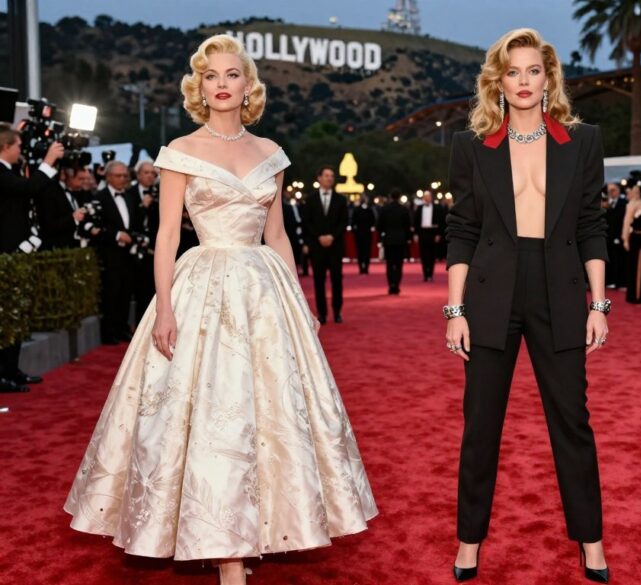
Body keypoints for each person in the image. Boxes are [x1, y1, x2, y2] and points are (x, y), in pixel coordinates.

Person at [64, 35, 377, 585]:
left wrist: (301, 305)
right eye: (212, 76)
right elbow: (165, 238)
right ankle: (227, 549)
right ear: (199, 87)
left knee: (271, 417)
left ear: (248, 85)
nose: (222, 84)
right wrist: (163, 309)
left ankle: (253, 529)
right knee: (208, 413)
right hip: (201, 285)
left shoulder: (271, 153)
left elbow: (277, 234)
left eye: (232, 74)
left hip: (264, 292)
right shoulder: (181, 151)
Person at [444, 28, 610, 584]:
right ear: (498, 80)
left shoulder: (581, 143)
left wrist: (600, 303)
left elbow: (592, 226)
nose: (522, 81)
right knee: (480, 426)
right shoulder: (473, 147)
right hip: (492, 294)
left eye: (532, 71)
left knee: (573, 422)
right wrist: (454, 309)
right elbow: (462, 230)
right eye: (512, 72)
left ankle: (591, 541)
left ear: (548, 78)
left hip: (560, 291)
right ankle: (469, 542)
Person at [0, 122, 63, 392]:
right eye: (18, 146)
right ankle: (3, 375)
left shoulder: (9, 171)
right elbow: (29, 189)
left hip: (16, 254)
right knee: (6, 316)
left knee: (16, 315)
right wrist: (48, 161)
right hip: (6, 255)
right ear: (5, 147)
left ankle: (11, 370)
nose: (21, 151)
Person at [90, 161, 141, 345]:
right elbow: (94, 227)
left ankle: (121, 328)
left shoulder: (129, 196)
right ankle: (108, 332)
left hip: (128, 254)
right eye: (118, 176)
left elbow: (135, 223)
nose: (122, 179)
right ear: (108, 177)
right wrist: (117, 235)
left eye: (125, 176)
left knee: (126, 292)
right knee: (111, 293)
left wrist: (133, 237)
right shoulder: (99, 197)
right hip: (109, 253)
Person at [303, 166, 347, 324]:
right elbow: (307, 222)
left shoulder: (341, 200)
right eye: (327, 175)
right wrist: (318, 237)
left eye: (332, 176)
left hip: (335, 247)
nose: (330, 178)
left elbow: (344, 222)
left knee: (337, 280)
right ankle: (321, 313)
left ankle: (337, 312)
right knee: (318, 281)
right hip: (317, 247)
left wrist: (332, 236)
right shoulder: (310, 199)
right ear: (319, 178)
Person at [128, 160, 161, 306]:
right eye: (146, 173)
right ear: (138, 175)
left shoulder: (161, 193)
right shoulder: (128, 193)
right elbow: (129, 222)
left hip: (156, 248)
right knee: (137, 290)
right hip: (133, 250)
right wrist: (143, 206)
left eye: (153, 173)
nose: (150, 176)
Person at [620, 179, 641, 303]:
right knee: (634, 266)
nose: (636, 192)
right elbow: (626, 222)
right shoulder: (631, 204)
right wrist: (625, 239)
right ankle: (635, 295)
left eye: (638, 190)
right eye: (635, 190)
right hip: (636, 238)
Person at [377, 188, 412, 294]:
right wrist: (408, 238)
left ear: (390, 196)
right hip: (401, 240)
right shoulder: (404, 209)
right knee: (399, 264)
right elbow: (408, 226)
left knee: (389, 264)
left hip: (388, 240)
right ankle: (396, 285)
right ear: (399, 196)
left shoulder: (384, 209)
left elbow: (379, 226)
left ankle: (391, 285)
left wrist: (382, 236)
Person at [414, 189, 446, 281]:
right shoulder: (419, 208)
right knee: (423, 254)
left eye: (428, 197)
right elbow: (416, 221)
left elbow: (441, 222)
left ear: (431, 198)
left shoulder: (437, 208)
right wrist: (416, 234)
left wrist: (439, 234)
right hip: (422, 232)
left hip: (433, 232)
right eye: (425, 197)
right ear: (423, 198)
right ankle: (425, 274)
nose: (427, 198)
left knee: (432, 254)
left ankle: (430, 274)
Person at [351, 194, 376, 274]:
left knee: (364, 252)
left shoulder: (365, 209)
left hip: (362, 234)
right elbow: (373, 221)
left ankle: (364, 268)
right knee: (363, 252)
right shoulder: (366, 209)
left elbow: (373, 221)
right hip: (363, 234)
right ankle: (362, 268)